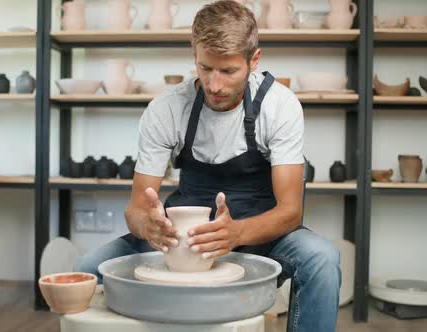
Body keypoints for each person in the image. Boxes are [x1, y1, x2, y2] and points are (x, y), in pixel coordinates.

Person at [75, 1, 341, 331]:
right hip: (182, 238)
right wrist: (149, 227)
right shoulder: (167, 109)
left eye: (228, 71)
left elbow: (291, 212)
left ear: (253, 60)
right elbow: (136, 209)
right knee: (87, 268)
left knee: (321, 259)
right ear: (194, 55)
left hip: (262, 233)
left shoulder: (280, 106)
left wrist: (236, 233)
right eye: (205, 68)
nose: (215, 85)